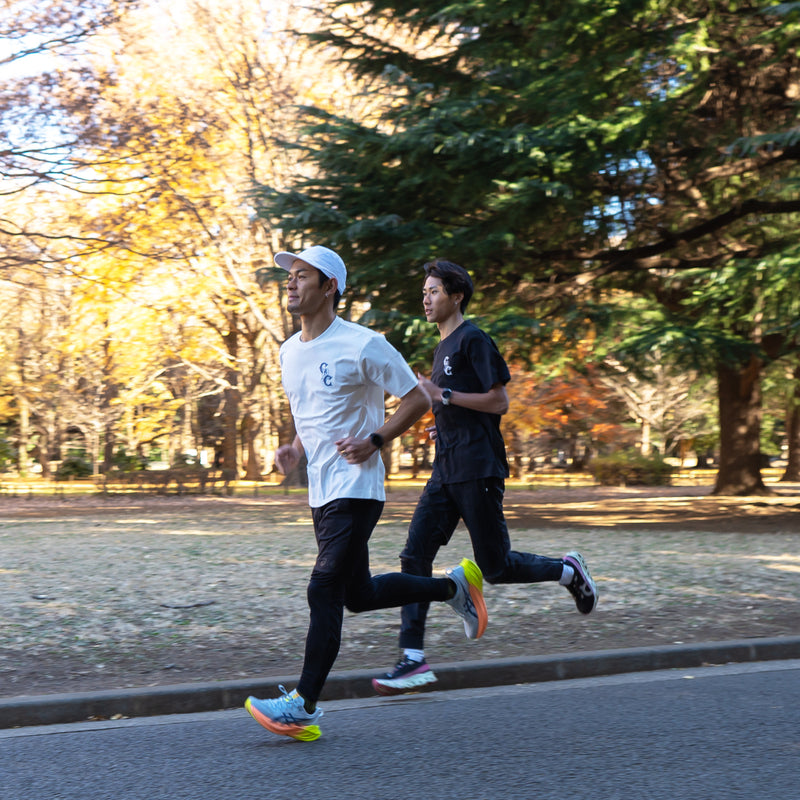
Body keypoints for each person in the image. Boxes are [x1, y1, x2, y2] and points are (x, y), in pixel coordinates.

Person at [245, 245, 488, 741]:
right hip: (321, 488)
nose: (290, 284)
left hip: (356, 487)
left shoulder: (362, 343)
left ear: (329, 286)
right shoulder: (289, 350)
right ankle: (453, 588)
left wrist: (376, 439)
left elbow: (419, 396)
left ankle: (303, 706)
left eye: (301, 276)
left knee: (323, 588)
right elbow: (306, 409)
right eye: (288, 277)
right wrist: (293, 447)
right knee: (358, 594)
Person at [372, 258, 598, 696]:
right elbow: (457, 405)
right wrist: (442, 418)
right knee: (413, 556)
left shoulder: (473, 339)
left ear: (456, 296)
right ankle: (412, 658)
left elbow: (499, 402)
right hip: (446, 469)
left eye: (434, 290)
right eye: (425, 291)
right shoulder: (440, 350)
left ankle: (568, 571)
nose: (426, 297)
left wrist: (445, 396)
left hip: (478, 469)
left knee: (495, 568)